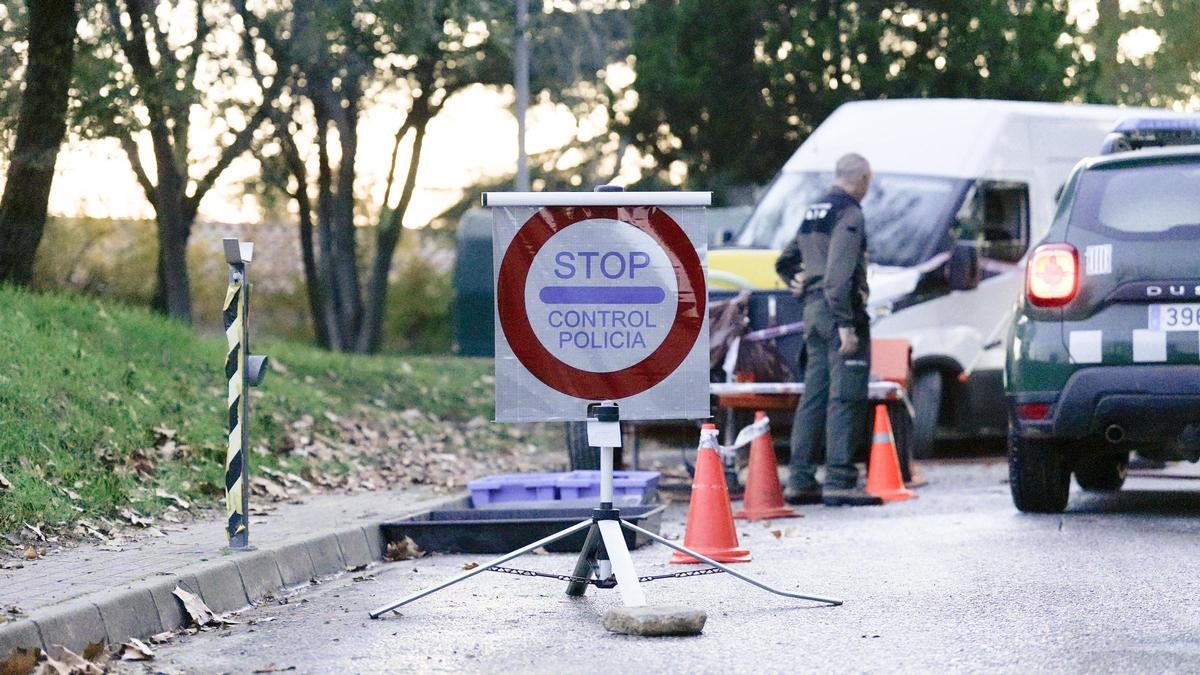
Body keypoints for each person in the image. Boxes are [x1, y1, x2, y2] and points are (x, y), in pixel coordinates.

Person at [774, 153, 878, 507]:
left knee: (814, 395)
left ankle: (800, 480)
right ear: (863, 178)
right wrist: (847, 324)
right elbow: (838, 275)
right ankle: (839, 480)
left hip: (813, 313)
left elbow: (785, 260)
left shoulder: (813, 210)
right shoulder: (849, 213)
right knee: (845, 397)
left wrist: (796, 279)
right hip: (838, 313)